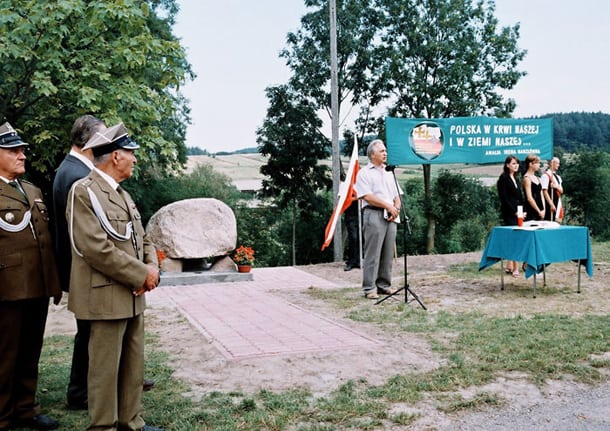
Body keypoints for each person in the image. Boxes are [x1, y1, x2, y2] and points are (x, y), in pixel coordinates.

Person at [52, 116, 155, 411]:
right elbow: (94, 247)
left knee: (130, 364)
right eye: (131, 153)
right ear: (116, 155)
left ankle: (130, 421)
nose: (135, 159)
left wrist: (151, 268)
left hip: (129, 291)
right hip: (104, 290)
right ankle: (101, 420)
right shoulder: (82, 187)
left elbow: (140, 236)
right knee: (103, 367)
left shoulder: (121, 192)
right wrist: (140, 274)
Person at [0, 122, 61, 431]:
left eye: (22, 150)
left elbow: (44, 240)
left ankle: (26, 408)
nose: (22, 155)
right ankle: (3, 415)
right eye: (13, 151)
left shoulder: (33, 190)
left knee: (30, 350)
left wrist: (54, 283)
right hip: (7, 290)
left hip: (36, 287)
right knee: (4, 355)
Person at [354, 139, 401, 299]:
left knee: (388, 252)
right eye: (382, 151)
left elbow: (397, 194)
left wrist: (396, 208)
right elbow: (367, 196)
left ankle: (384, 285)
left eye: (385, 151)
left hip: (391, 215)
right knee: (373, 253)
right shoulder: (364, 173)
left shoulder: (389, 172)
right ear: (372, 154)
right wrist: (388, 206)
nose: (385, 153)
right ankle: (369, 288)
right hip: (374, 214)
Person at [496, 155, 523, 276]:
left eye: (517, 163)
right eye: (513, 163)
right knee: (515, 239)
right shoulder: (503, 179)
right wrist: (514, 211)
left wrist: (523, 210)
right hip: (509, 213)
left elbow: (519, 197)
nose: (516, 165)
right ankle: (516, 267)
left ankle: (509, 265)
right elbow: (504, 199)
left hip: (518, 212)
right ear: (507, 165)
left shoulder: (516, 178)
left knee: (515, 238)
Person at [522, 154, 545, 222]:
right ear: (530, 164)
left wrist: (543, 209)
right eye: (537, 163)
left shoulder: (537, 178)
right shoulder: (527, 178)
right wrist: (538, 211)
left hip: (541, 210)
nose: (539, 165)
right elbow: (529, 198)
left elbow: (541, 195)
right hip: (531, 210)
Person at [540, 156, 563, 222]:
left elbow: (561, 190)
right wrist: (551, 204)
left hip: (557, 201)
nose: (558, 165)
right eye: (557, 163)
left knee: (556, 221)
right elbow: (544, 191)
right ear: (552, 163)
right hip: (548, 203)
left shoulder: (558, 177)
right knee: (549, 221)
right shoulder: (545, 176)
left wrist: (556, 187)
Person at [343, 200, 361, 271]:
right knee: (353, 237)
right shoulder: (346, 189)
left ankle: (358, 260)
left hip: (361, 215)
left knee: (361, 238)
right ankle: (351, 261)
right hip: (350, 215)